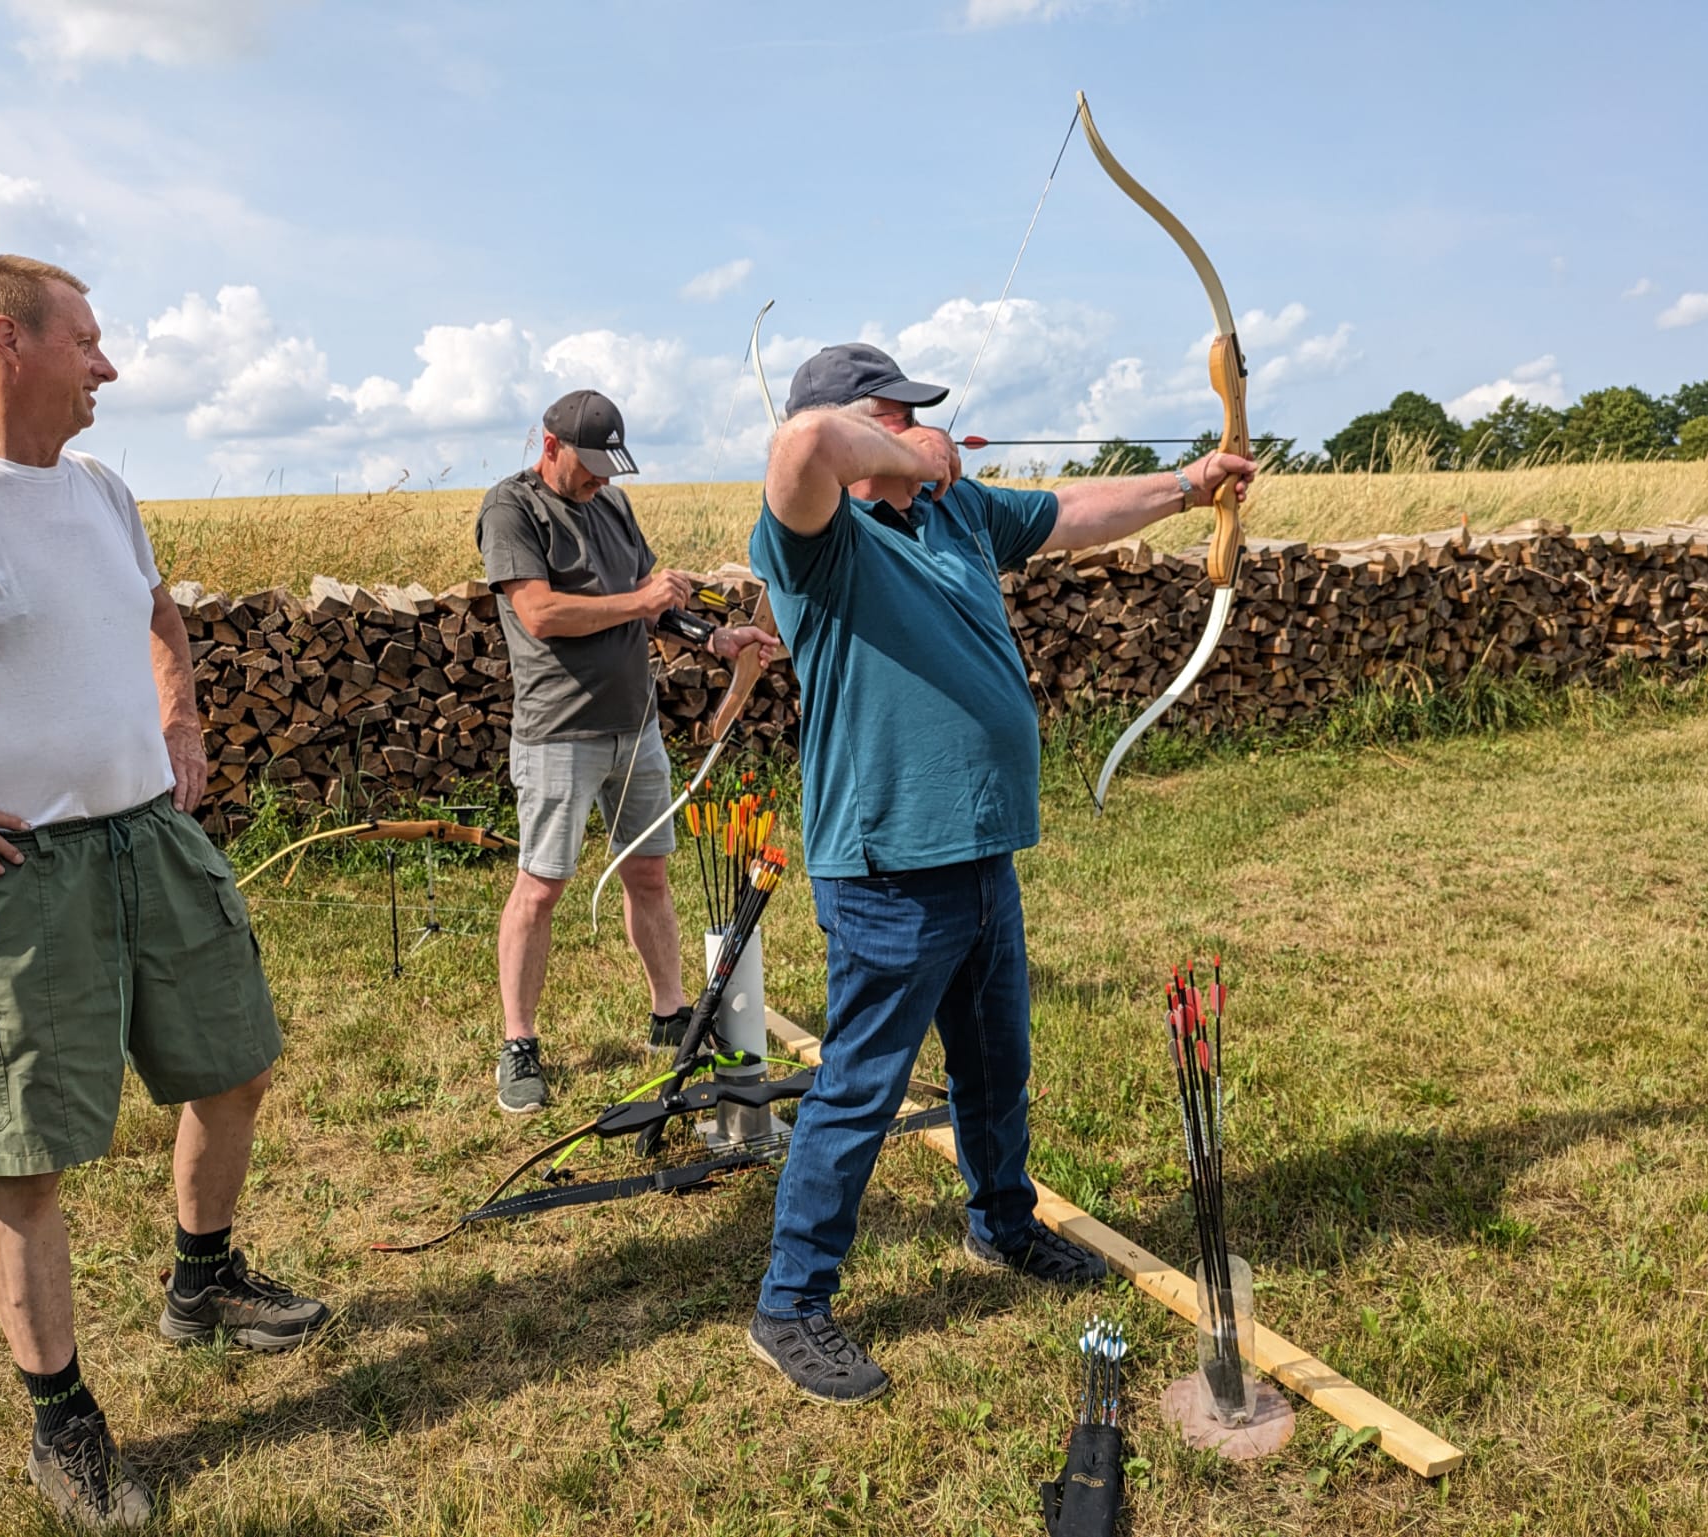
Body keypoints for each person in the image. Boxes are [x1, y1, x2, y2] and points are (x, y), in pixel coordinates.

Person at [0, 255, 329, 1528]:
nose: (109, 364)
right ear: (8, 340)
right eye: (86, 340)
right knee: (24, 1152)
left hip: (149, 838)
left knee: (235, 1067)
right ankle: (64, 1425)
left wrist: (181, 714)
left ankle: (202, 1281)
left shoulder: (99, 487)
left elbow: (158, 611)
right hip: (17, 874)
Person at [745, 343, 1254, 1403]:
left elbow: (1071, 513)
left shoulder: (957, 512)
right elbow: (802, 445)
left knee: (995, 1061)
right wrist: (914, 454)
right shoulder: (816, 538)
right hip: (887, 863)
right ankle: (791, 1303)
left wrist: (1188, 485)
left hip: (981, 849)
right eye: (895, 414)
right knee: (860, 1087)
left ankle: (1003, 1224)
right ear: (861, 428)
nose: (922, 426)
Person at [477, 390, 778, 1113]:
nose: (601, 479)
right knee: (541, 886)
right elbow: (540, 612)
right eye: (590, 464)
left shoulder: (611, 504)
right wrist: (639, 604)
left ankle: (669, 1013)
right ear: (550, 446)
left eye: (611, 466)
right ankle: (519, 1044)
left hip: (634, 726)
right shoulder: (511, 508)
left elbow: (652, 601)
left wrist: (716, 638)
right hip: (558, 730)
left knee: (648, 873)